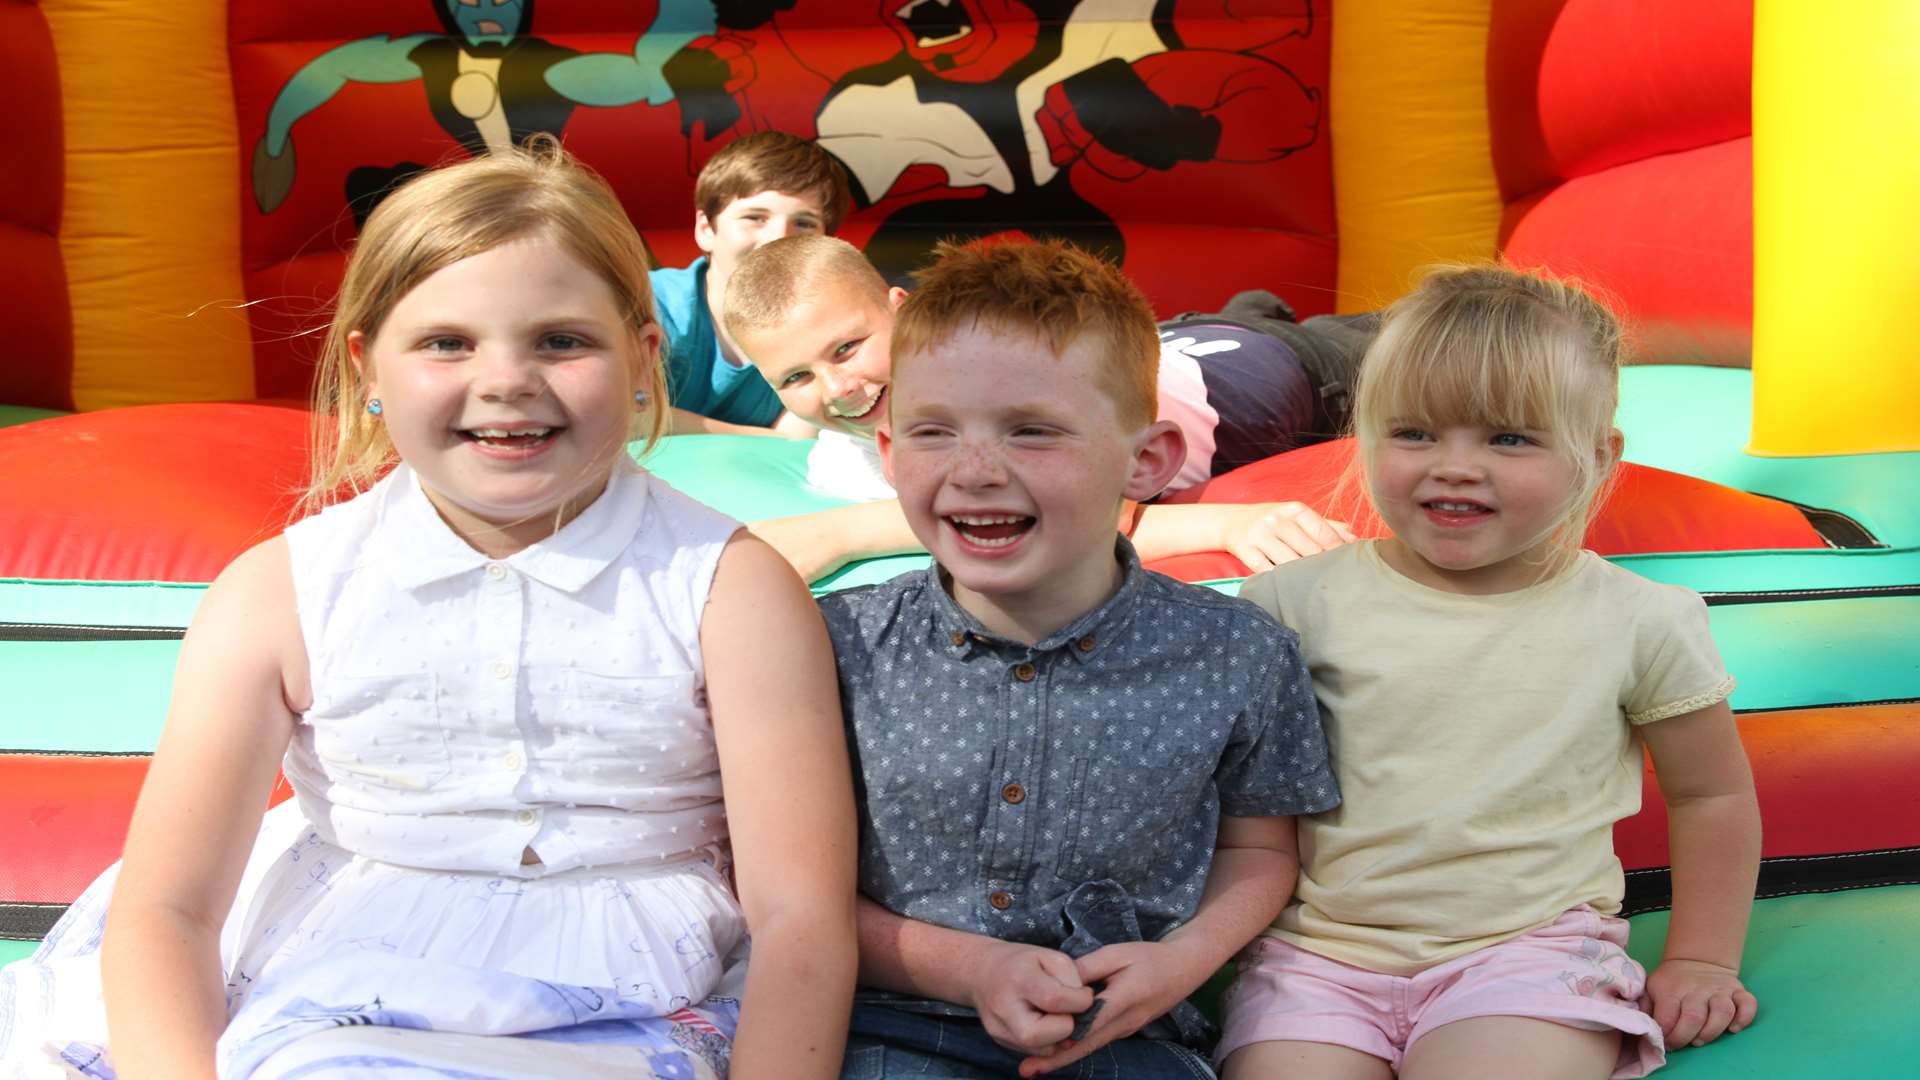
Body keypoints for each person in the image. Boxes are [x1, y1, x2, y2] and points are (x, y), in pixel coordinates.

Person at [0, 141, 857, 1078]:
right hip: (337, 980)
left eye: (561, 341)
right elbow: (169, 907)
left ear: (642, 357)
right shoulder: (282, 593)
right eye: (447, 342)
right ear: (369, 364)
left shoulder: (725, 590)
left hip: (636, 1000)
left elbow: (799, 918)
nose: (505, 380)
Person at [1220, 266, 1763, 1080]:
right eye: (1414, 433)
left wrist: (1704, 959)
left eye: (1508, 438)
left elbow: (1711, 794)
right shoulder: (1294, 606)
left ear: (1595, 455)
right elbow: (1253, 815)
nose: (1455, 467)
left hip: (1529, 957)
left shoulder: (1638, 619)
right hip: (1318, 963)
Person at [816, 240, 1341, 1078]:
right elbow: (790, 889)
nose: (975, 470)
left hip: (1124, 1035)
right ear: (888, 454)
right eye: (933, 432)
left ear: (1148, 460)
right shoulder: (833, 648)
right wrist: (972, 967)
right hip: (886, 1027)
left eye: (1031, 432)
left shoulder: (1238, 655)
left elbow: (1260, 852)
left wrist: (1180, 963)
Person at [723, 234, 1366, 582]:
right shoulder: (842, 458)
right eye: (797, 376)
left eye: (847, 347)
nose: (838, 388)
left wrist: (842, 534)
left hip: (1283, 375)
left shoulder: (989, 375)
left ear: (902, 309)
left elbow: (1090, 515)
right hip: (1181, 350)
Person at [653, 131, 854, 437]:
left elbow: (801, 438)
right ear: (706, 229)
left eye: (804, 224)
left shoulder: (836, 327)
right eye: (755, 217)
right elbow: (624, 419)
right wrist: (768, 439)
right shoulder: (650, 304)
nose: (778, 238)